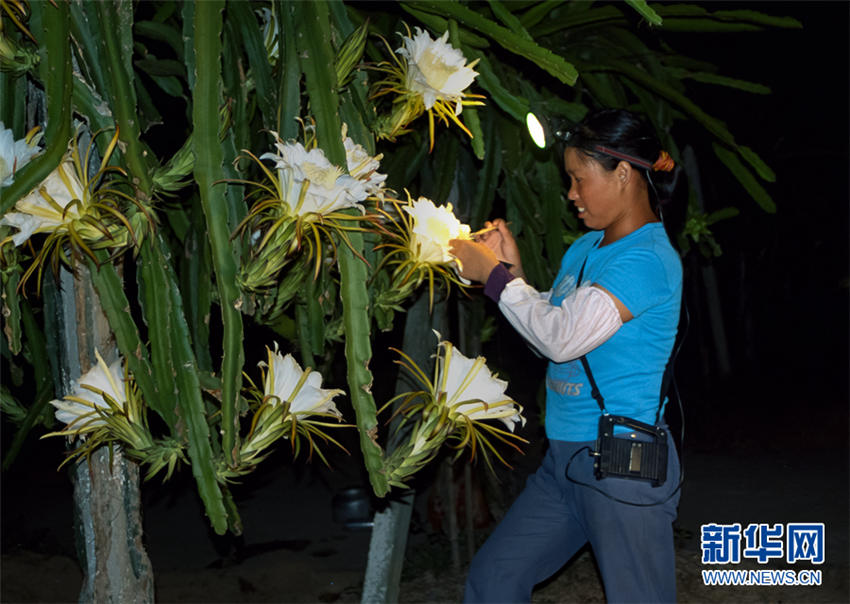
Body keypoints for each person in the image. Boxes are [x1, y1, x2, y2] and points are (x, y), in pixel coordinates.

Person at [449, 108, 684, 603]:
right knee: (494, 579)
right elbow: (551, 341)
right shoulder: (583, 250)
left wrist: (495, 277)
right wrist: (510, 276)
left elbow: (561, 337)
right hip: (563, 462)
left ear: (623, 173)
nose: (571, 194)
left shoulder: (647, 259)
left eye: (579, 179)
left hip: (622, 462)